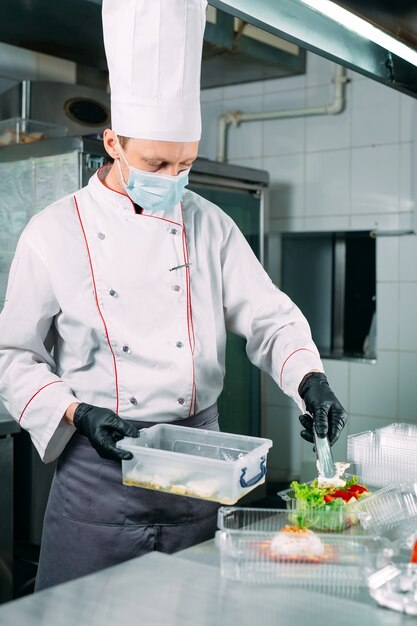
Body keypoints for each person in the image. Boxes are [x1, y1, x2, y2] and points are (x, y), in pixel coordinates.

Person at [0, 0, 347, 591]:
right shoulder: (54, 231)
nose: (173, 179)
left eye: (184, 164)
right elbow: (12, 355)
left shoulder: (208, 222)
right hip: (100, 473)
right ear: (112, 143)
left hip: (201, 470)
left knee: (194, 609)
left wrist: (309, 377)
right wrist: (75, 413)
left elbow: (268, 318)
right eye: (157, 163)